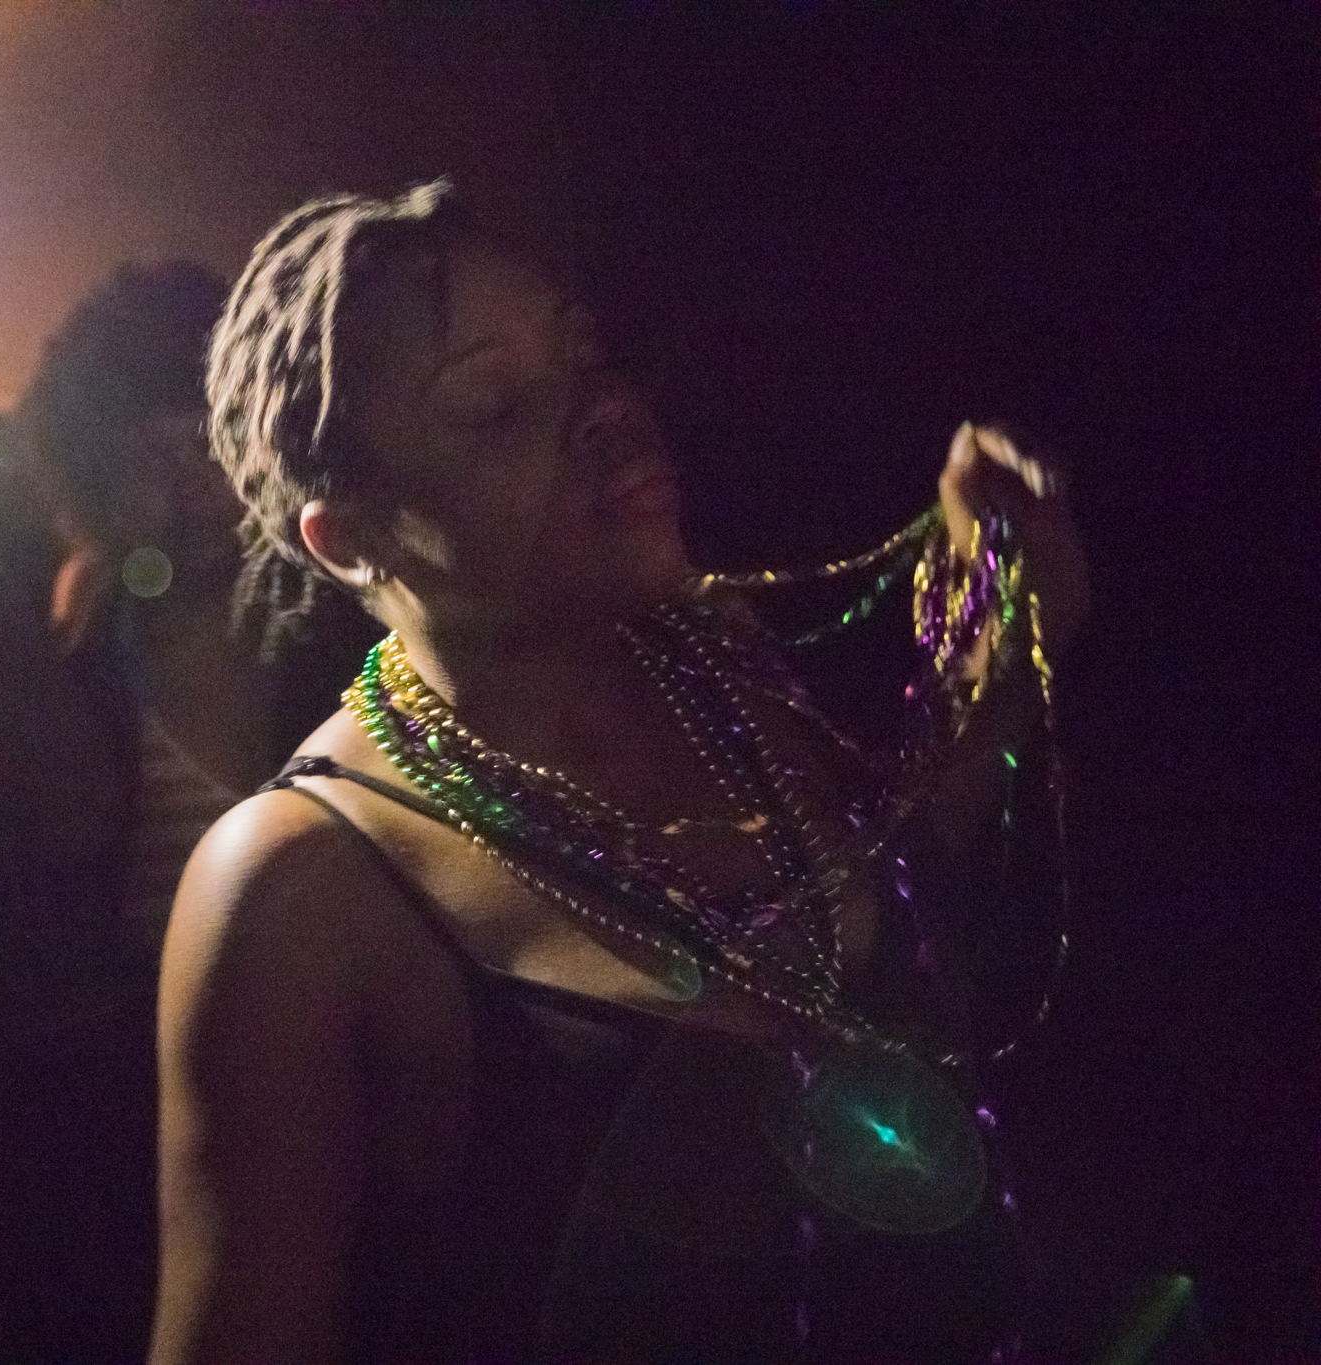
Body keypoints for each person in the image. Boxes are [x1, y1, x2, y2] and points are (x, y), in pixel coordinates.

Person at [152, 181, 1099, 1364]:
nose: (604, 410)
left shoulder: (721, 670)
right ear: (351, 539)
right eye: (494, 404)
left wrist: (1007, 653)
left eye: (584, 356)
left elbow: (880, 922)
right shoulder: (295, 893)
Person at [20, 262, 376, 956]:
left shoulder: (365, 637)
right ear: (98, 481)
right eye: (148, 460)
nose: (189, 487)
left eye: (211, 443)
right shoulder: (81, 672)